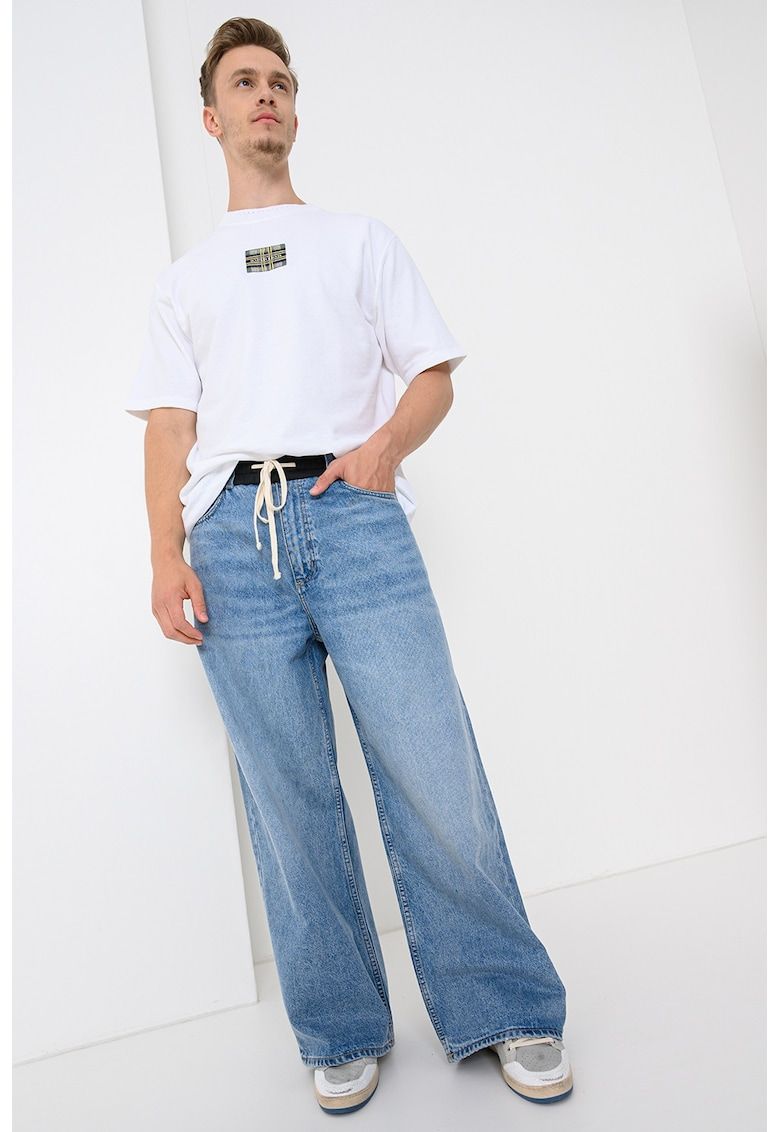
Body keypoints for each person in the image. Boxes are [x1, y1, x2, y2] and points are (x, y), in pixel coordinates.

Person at [125, 16, 573, 1114]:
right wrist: (165, 555)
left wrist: (381, 453)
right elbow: (170, 426)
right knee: (287, 796)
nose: (265, 95)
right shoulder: (184, 281)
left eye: (279, 81)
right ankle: (338, 1026)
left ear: (293, 108)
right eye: (244, 82)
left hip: (357, 518)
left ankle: (508, 1003)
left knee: (433, 766)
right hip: (232, 537)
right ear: (212, 117)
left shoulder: (359, 240)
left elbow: (433, 375)